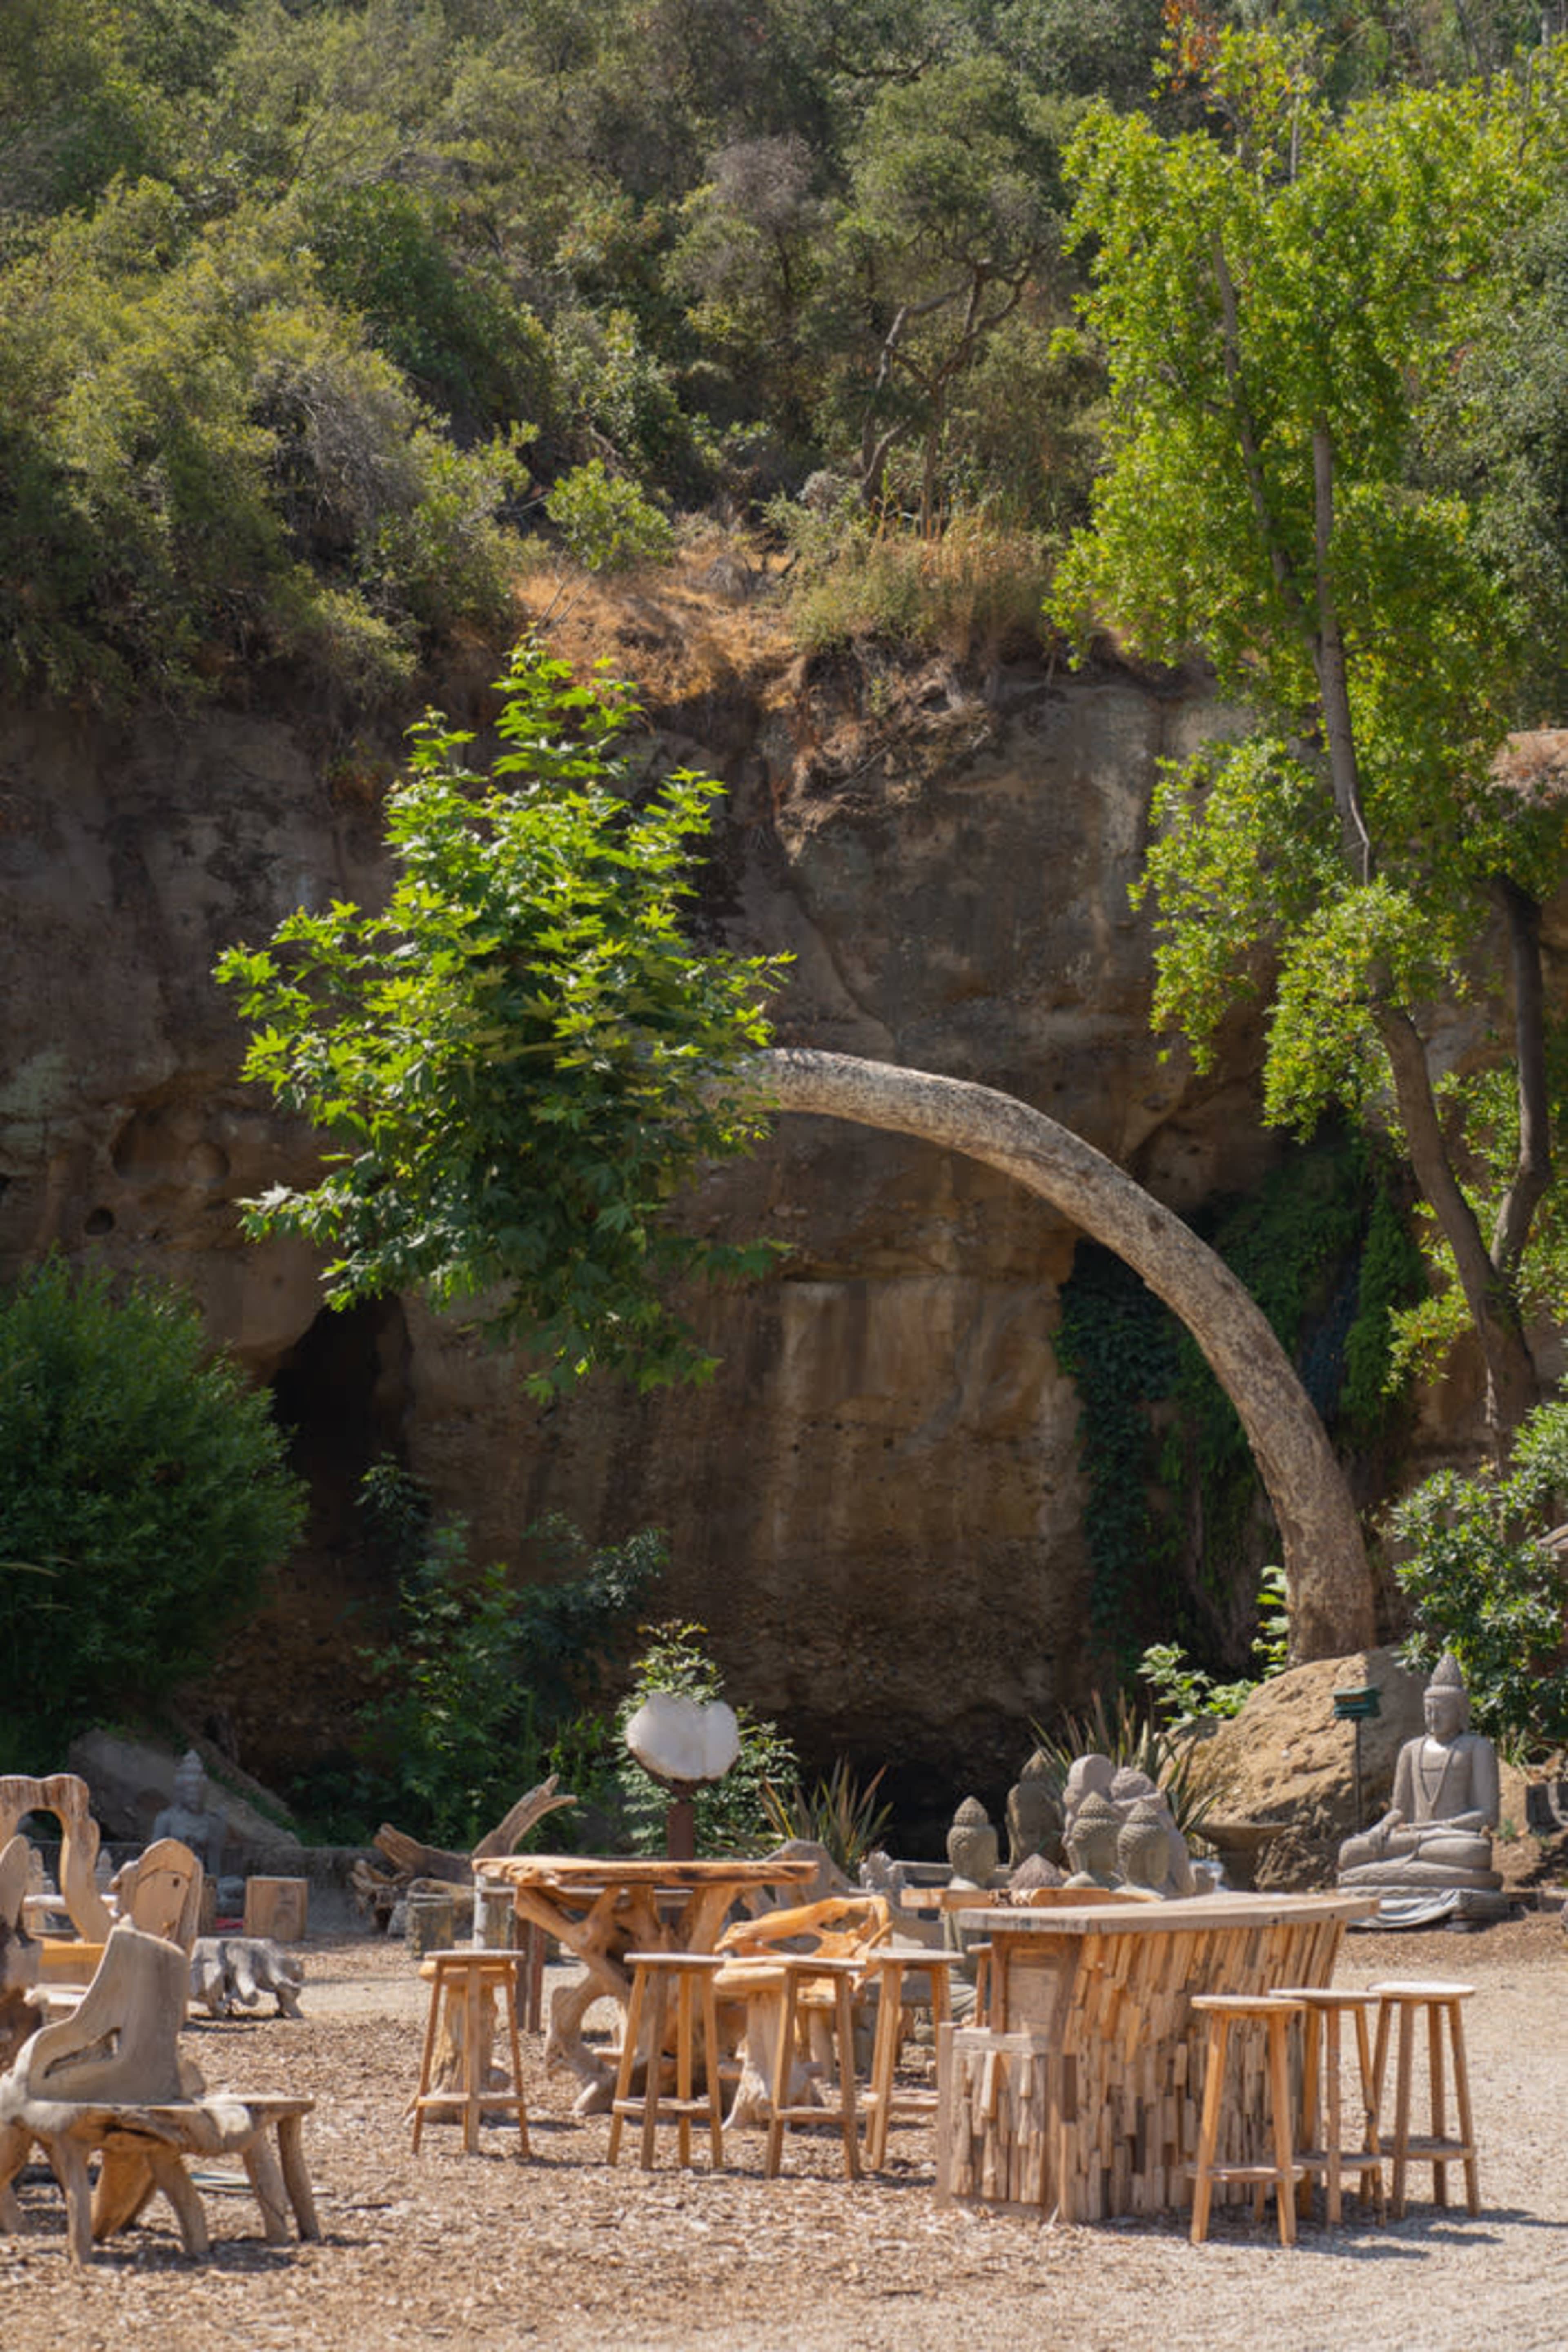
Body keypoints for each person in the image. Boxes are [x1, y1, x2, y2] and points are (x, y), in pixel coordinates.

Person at [1337, 1655, 1501, 1889]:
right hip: (1414, 1836)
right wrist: (1383, 1827)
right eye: (1429, 1711)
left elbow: (1489, 1815)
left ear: (1460, 1712)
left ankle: (1396, 1871)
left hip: (1450, 1839)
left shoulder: (1477, 1748)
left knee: (1473, 1853)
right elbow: (1400, 1810)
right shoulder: (1411, 1750)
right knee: (1350, 1852)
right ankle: (1418, 1869)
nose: (1433, 1718)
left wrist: (1445, 1827)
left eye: (1442, 1711)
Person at [151, 1750, 228, 1878]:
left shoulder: (211, 1822)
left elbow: (215, 1868)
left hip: (201, 1879)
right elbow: (153, 1860)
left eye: (198, 1793)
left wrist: (221, 1829)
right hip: (172, 1879)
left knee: (237, 1884)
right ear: (181, 1792)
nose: (195, 1798)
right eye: (190, 1793)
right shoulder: (166, 1819)